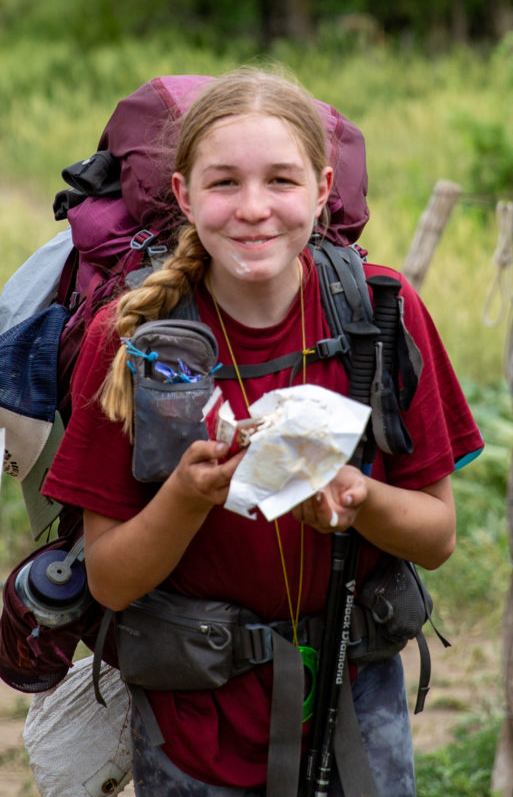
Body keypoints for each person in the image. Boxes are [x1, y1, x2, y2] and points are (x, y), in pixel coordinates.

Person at [42, 68, 483, 795]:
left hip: (355, 701)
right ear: (184, 195)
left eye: (281, 181)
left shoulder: (382, 311)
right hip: (196, 727)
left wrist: (359, 499)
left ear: (321, 188)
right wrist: (185, 498)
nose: (253, 210)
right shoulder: (131, 337)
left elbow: (436, 535)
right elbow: (111, 578)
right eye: (223, 184)